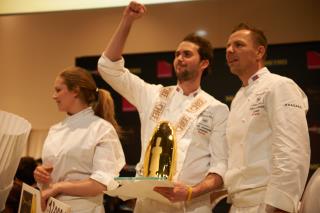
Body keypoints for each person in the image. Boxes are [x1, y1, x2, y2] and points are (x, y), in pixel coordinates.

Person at [97, 1, 229, 213]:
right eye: (177, 54)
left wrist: (190, 192)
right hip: (148, 203)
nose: (179, 59)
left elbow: (220, 167)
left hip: (190, 205)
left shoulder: (217, 108)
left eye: (187, 54)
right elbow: (108, 68)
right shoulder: (153, 94)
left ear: (204, 63)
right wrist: (127, 21)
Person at [224, 23, 310, 213]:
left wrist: (281, 205)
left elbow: (292, 150)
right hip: (238, 203)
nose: (230, 50)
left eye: (239, 45)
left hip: (267, 202)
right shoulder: (238, 97)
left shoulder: (279, 86)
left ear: (259, 52)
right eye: (228, 46)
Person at [33, 67, 125, 212]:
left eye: (58, 90)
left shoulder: (101, 129)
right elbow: (51, 174)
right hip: (52, 208)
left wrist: (59, 187)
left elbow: (100, 184)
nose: (54, 96)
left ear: (75, 91)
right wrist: (41, 174)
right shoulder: (55, 130)